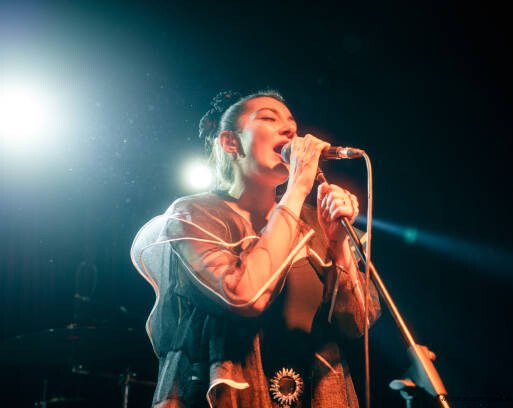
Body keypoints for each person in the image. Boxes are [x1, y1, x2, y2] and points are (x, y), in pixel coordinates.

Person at [131, 90, 381, 408]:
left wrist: (337, 242)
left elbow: (357, 323)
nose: (290, 130)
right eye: (268, 118)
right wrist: (298, 187)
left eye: (292, 123)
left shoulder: (313, 223)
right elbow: (245, 296)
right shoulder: (194, 215)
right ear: (230, 142)